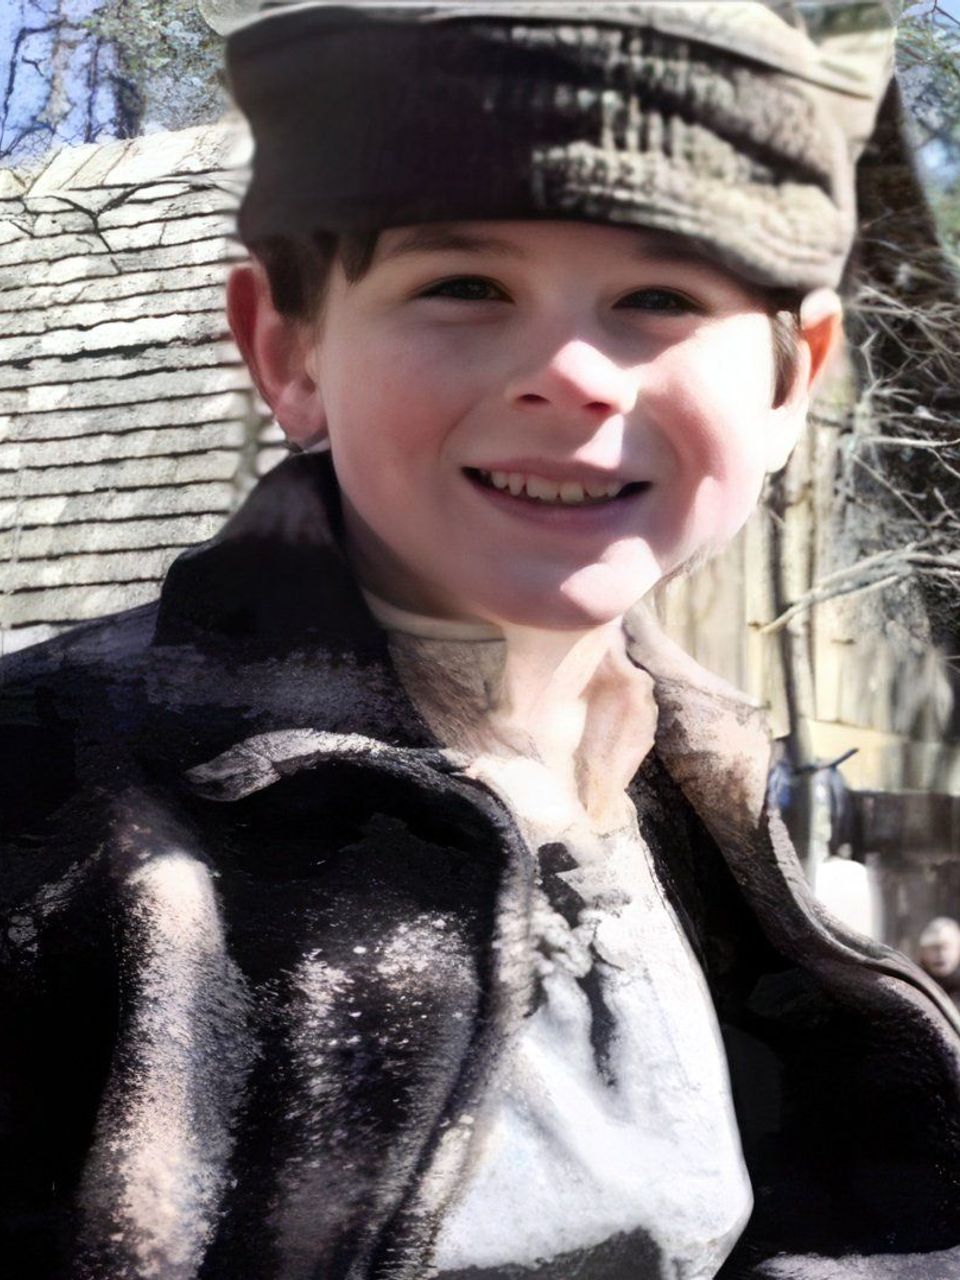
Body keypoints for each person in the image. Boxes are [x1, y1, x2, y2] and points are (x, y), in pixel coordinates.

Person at [2, 3, 959, 1278]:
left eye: (662, 295)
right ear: (288, 349)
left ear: (793, 381)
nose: (573, 372)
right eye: (464, 285)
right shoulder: (41, 801)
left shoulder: (692, 788)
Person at [918, 917, 960, 1009]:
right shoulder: (915, 984)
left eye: (946, 947)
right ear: (923, 952)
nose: (941, 954)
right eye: (934, 948)